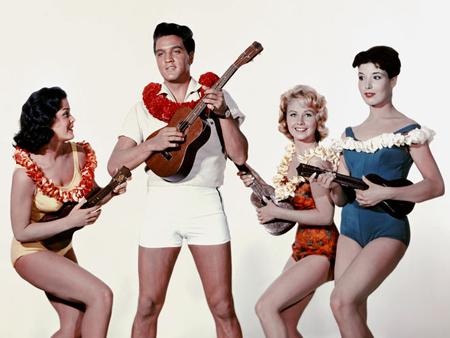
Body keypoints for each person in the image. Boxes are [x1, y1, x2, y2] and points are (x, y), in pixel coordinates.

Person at [107, 22, 247, 338]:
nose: (168, 59)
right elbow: (114, 165)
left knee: (223, 305)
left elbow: (239, 156)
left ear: (190, 55)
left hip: (205, 202)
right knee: (147, 305)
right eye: (160, 54)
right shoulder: (143, 107)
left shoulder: (215, 96)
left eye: (175, 51)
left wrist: (223, 114)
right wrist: (150, 144)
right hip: (160, 205)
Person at [318, 46, 445, 338]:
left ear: (394, 80)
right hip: (350, 228)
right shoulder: (348, 136)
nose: (367, 85)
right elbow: (341, 198)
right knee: (350, 309)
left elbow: (435, 185)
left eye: (376, 77)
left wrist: (384, 194)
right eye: (361, 78)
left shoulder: (408, 131)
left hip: (387, 229)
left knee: (340, 301)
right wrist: (332, 187)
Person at [10, 86, 127, 337]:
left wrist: (111, 191)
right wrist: (72, 221)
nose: (73, 119)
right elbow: (21, 231)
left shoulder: (78, 154)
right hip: (31, 251)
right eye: (66, 114)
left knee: (73, 326)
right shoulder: (25, 173)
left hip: (61, 247)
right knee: (101, 295)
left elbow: (89, 199)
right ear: (46, 121)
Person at [239, 85, 339, 338]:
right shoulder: (292, 159)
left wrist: (278, 213)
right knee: (284, 323)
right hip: (300, 247)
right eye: (293, 114)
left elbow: (325, 216)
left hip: (321, 249)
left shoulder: (316, 161)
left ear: (319, 119)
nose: (300, 121)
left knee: (265, 307)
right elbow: (287, 199)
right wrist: (257, 183)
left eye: (307, 114)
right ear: (285, 120)